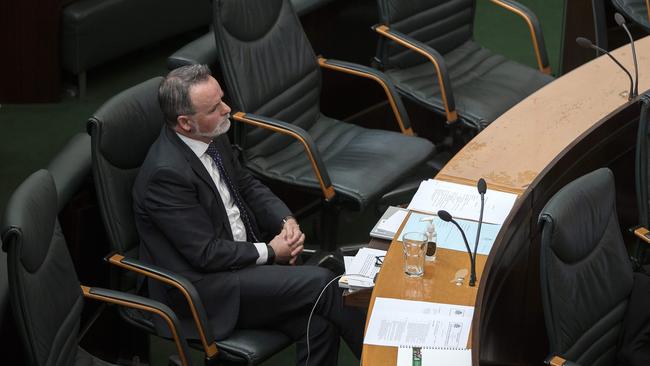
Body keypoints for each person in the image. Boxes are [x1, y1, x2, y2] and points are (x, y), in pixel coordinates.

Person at [132, 64, 364, 365]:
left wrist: (287, 221)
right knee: (326, 284)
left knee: (320, 318)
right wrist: (270, 251)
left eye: (223, 100)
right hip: (207, 288)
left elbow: (247, 185)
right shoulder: (165, 175)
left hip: (241, 264)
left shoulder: (212, 134)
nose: (228, 110)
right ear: (185, 123)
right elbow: (205, 254)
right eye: (215, 108)